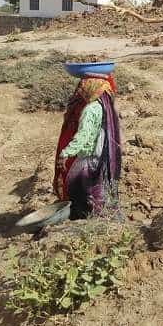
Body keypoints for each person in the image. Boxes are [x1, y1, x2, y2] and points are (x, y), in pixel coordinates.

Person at [53, 73, 122, 220]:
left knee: (79, 187)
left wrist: (66, 153)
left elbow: (83, 136)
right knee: (97, 187)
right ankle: (104, 216)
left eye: (83, 87)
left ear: (90, 89)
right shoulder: (103, 106)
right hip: (101, 155)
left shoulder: (90, 110)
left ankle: (88, 217)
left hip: (88, 156)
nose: (79, 91)